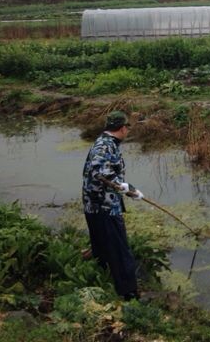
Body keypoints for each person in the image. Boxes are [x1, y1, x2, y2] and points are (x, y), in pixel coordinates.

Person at [82, 111, 144, 300]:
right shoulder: (105, 146)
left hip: (97, 205)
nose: (127, 131)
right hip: (104, 207)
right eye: (127, 127)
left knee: (103, 247)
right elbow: (99, 173)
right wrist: (126, 188)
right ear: (123, 128)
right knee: (119, 250)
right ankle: (129, 294)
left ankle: (103, 281)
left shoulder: (107, 142)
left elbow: (104, 172)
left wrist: (129, 190)